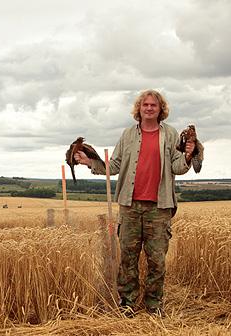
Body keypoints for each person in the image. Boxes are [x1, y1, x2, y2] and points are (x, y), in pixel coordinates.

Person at [75, 89, 194, 317]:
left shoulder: (169, 135)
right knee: (127, 258)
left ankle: (154, 305)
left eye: (154, 105)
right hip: (129, 206)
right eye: (145, 105)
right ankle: (127, 303)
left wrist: (188, 155)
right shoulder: (128, 135)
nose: (149, 108)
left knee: (157, 260)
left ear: (161, 110)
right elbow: (116, 166)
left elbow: (178, 167)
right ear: (139, 109)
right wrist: (89, 161)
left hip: (160, 208)